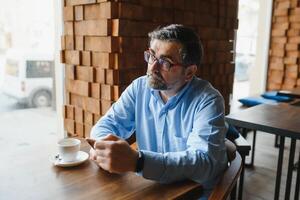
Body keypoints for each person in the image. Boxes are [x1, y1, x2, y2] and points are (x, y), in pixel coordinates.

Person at [89, 24, 228, 198]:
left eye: (165, 62)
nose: (152, 67)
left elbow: (202, 164)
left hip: (194, 193)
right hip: (152, 188)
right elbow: (107, 124)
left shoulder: (209, 100)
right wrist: (104, 147)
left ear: (189, 72)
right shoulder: (139, 87)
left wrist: (138, 162)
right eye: (152, 56)